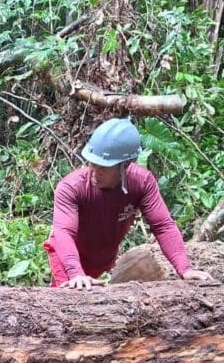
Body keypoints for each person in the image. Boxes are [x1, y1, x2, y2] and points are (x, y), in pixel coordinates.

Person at [44, 118, 211, 289]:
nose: (94, 172)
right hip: (67, 254)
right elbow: (64, 232)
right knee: (70, 299)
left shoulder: (142, 182)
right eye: (92, 163)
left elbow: (163, 226)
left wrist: (185, 269)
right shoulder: (71, 187)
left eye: (103, 167)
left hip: (103, 256)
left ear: (125, 165)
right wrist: (75, 273)